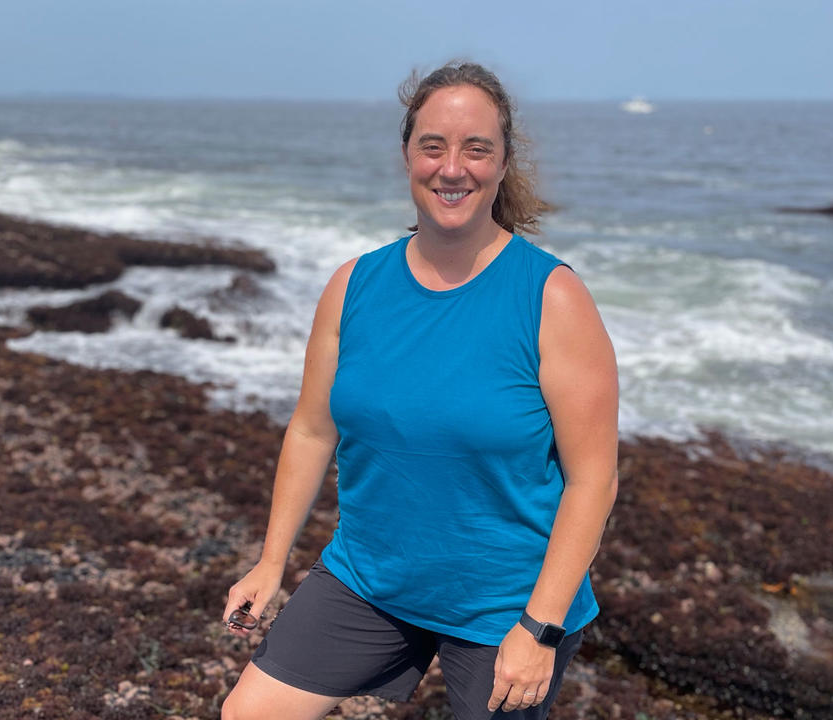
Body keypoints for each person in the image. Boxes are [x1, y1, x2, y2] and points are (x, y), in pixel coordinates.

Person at [221, 61, 619, 719]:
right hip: (370, 579)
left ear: (502, 161)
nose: (452, 167)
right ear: (408, 153)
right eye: (432, 145)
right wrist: (270, 562)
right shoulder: (354, 286)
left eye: (476, 148)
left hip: (507, 604)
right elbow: (313, 429)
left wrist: (541, 629)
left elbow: (594, 480)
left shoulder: (552, 297)